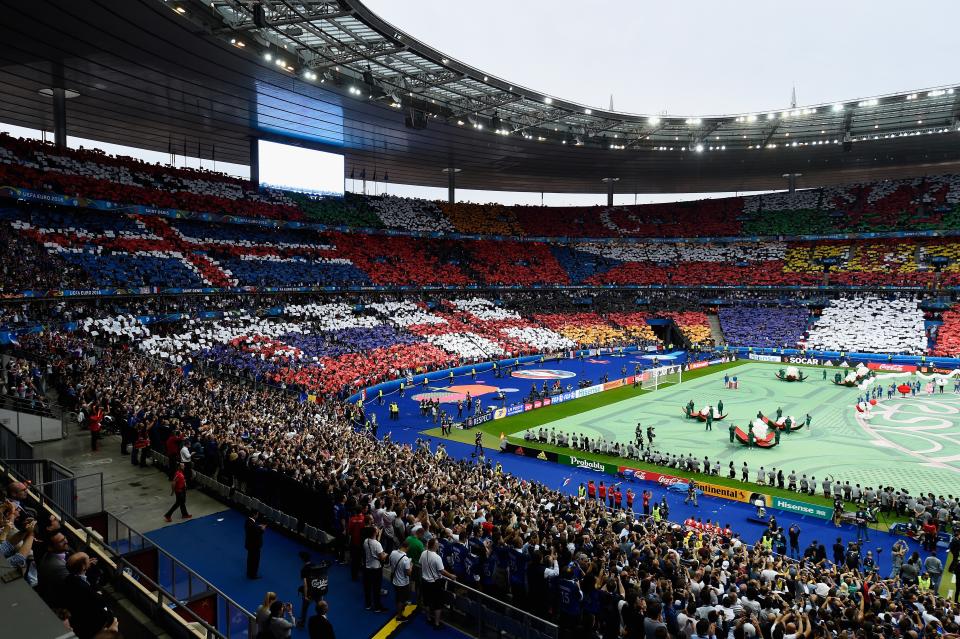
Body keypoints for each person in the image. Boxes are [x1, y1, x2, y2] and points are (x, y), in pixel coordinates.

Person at [420, 537, 456, 630]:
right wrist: (451, 576)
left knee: (427, 601)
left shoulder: (424, 553)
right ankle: (436, 623)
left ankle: (428, 618)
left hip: (424, 581)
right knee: (438, 604)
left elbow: (420, 563)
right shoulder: (437, 557)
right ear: (435, 546)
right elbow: (442, 571)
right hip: (434, 583)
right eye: (437, 544)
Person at [362, 526, 387, 612]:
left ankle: (368, 604)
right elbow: (382, 557)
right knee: (376, 588)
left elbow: (374, 545)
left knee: (367, 588)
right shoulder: (377, 544)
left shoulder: (366, 541)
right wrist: (385, 555)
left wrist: (378, 536)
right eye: (376, 530)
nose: (378, 531)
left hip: (367, 567)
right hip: (376, 569)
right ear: (374, 533)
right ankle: (377, 607)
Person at [388, 539, 413, 621]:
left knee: (398, 597)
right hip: (402, 582)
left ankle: (400, 610)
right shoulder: (406, 559)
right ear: (407, 547)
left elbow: (391, 563)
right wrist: (411, 565)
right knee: (400, 600)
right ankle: (399, 616)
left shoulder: (393, 553)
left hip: (395, 579)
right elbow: (408, 573)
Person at [245, 511, 266, 579]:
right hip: (255, 546)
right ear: (254, 515)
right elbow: (257, 534)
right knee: (255, 561)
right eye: (257, 514)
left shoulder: (247, 521)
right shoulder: (254, 526)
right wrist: (262, 529)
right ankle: (253, 575)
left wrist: (258, 526)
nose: (258, 515)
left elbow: (252, 529)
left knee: (250, 559)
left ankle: (249, 573)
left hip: (249, 544)